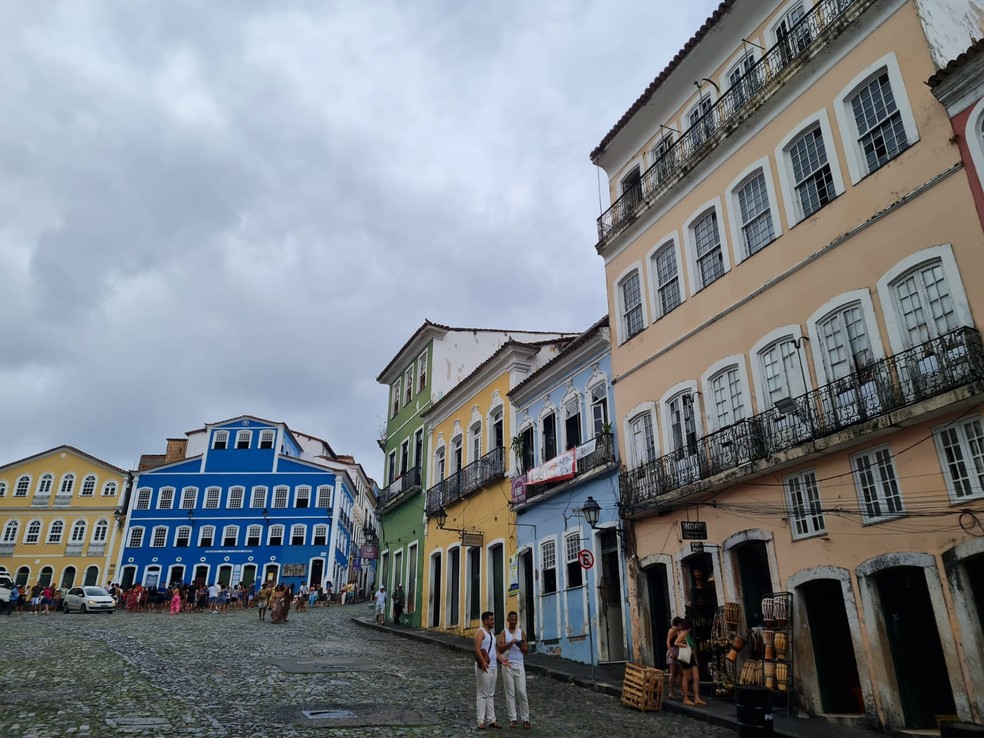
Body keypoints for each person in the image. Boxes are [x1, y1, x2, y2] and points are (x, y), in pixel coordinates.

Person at [497, 610, 530, 729]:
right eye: (511, 620)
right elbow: (499, 649)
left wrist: (520, 644)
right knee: (510, 693)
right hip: (508, 665)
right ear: (508, 620)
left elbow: (526, 651)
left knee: (522, 692)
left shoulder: (521, 633)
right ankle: (513, 719)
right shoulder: (504, 633)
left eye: (515, 620)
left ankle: (525, 719)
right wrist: (510, 643)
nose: (513, 622)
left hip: (519, 664)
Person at [473, 610, 502, 730]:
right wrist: (483, 662)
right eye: (491, 620)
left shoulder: (491, 634)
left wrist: (502, 660)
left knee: (490, 694)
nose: (493, 621)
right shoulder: (480, 632)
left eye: (493, 619)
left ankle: (492, 719)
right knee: (482, 693)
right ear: (485, 621)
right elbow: (477, 648)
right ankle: (480, 720)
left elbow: (495, 651)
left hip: (494, 666)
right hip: (484, 666)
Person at [675, 619, 706, 706]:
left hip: (691, 657)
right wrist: (685, 645)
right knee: (687, 678)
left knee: (696, 678)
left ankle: (697, 698)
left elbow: (692, 648)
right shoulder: (683, 634)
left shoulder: (688, 635)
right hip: (685, 658)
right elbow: (676, 643)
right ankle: (686, 699)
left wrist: (695, 659)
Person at [666, 616, 684, 700]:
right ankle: (671, 692)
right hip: (673, 651)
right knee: (673, 673)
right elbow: (668, 642)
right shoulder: (672, 631)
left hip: (678, 652)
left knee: (681, 672)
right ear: (678, 624)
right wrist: (671, 652)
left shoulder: (678, 631)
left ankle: (682, 690)